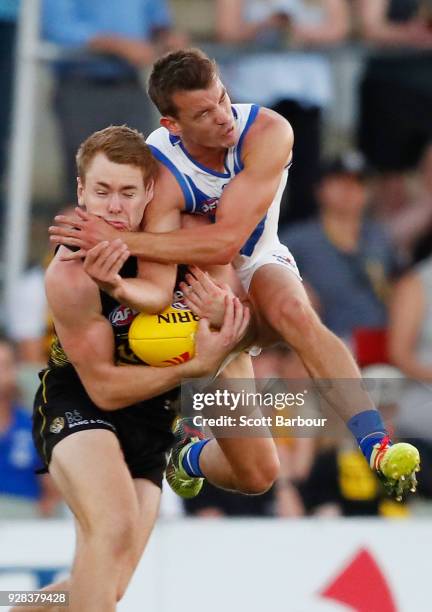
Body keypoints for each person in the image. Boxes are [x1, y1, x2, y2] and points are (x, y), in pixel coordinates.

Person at [49, 48, 420, 500]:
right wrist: (119, 280)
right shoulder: (159, 169)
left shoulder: (267, 130)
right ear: (173, 125)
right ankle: (181, 428)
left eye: (223, 98)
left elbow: (228, 243)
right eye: (204, 112)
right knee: (249, 464)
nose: (224, 116)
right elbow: (161, 286)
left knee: (293, 324)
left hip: (249, 259)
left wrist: (114, 242)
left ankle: (374, 445)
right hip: (193, 292)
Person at [15, 125, 249, 612]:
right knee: (113, 525)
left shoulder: (185, 245)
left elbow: (246, 324)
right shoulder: (69, 272)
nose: (113, 207)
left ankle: (19, 606)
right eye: (101, 191)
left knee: (110, 586)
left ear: (149, 193)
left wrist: (225, 328)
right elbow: (102, 389)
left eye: (126, 192)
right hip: (79, 406)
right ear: (81, 192)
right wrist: (196, 366)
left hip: (153, 419)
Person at [215, 0, 349, 225]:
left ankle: (297, 249)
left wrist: (297, 29)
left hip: (305, 97)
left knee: (305, 182)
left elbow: (339, 27)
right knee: (254, 179)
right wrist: (265, 25)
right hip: (257, 97)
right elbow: (227, 31)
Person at [41, 0, 186, 200]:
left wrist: (168, 37)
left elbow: (157, 19)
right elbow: (58, 28)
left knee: (140, 173)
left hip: (129, 85)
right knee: (86, 179)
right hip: (81, 86)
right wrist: (116, 45)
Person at [280, 152, 401, 344]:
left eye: (359, 182)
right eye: (339, 180)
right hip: (325, 344)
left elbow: (401, 286)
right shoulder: (297, 239)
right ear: (319, 188)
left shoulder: (380, 237)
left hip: (383, 344)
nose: (349, 189)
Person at [0, 335, 60, 519]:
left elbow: (53, 490)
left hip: (24, 522)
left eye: (3, 366)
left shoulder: (35, 427)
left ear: (15, 370)